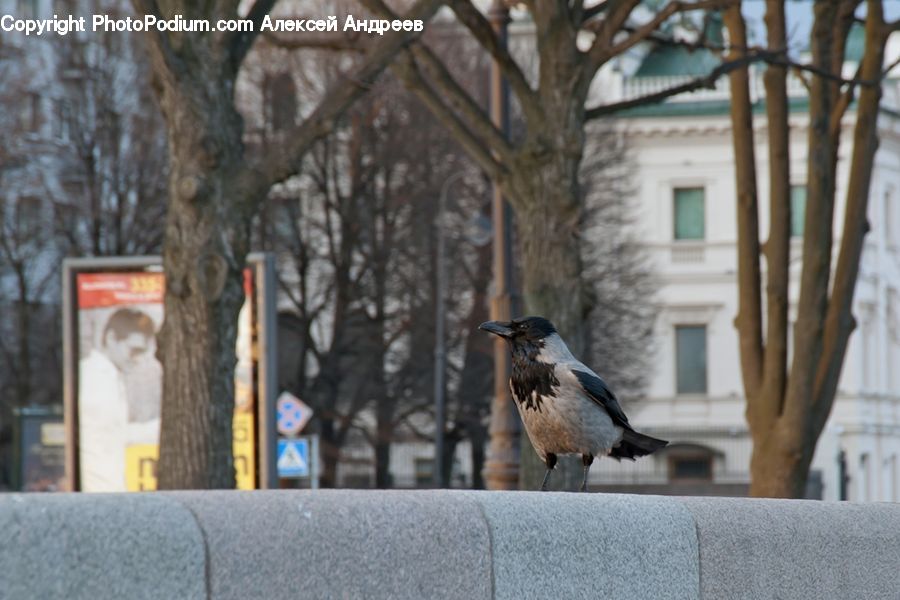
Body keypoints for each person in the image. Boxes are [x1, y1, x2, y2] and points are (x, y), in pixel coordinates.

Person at [78, 307, 159, 492]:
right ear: (111, 338)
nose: (138, 359)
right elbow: (112, 434)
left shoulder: (108, 376)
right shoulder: (95, 377)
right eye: (134, 350)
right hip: (98, 489)